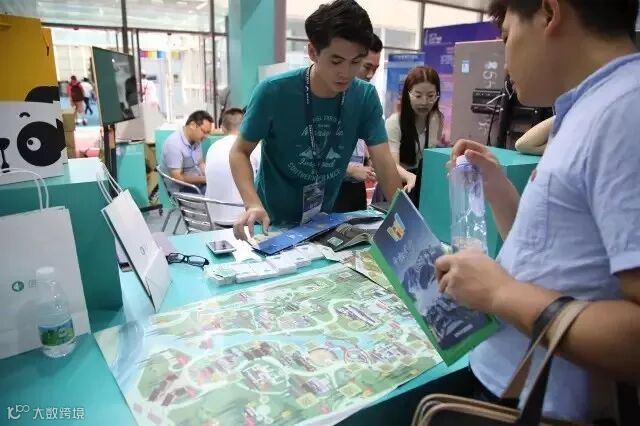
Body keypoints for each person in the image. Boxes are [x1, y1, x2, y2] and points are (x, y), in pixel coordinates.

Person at [430, 0, 640, 422]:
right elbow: (559, 257)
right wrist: (497, 186)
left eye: (507, 36)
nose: (504, 59)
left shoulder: (626, 111)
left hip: (544, 408)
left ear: (548, 13)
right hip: (516, 387)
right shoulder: (589, 106)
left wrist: (500, 293)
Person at [230, 0, 402, 239]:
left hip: (320, 222)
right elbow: (239, 152)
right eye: (336, 61)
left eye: (356, 62)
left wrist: (403, 220)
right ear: (313, 52)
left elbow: (383, 161)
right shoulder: (274, 91)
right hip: (270, 222)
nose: (346, 73)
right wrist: (252, 204)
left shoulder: (364, 96)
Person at [332, 33, 382, 213]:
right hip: (330, 188)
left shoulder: (365, 97)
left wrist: (369, 159)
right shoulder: (327, 95)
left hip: (355, 187)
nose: (370, 75)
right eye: (366, 67)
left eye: (375, 69)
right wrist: (349, 169)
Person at [385, 66, 443, 207]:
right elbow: (392, 165)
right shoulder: (394, 123)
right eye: (418, 96)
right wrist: (410, 177)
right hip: (397, 186)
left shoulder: (436, 119)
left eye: (430, 96)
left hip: (422, 186)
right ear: (408, 94)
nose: (424, 102)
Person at [205, 108, 261, 227]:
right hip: (245, 220)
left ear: (222, 128)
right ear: (246, 126)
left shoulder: (212, 148)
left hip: (212, 219)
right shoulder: (254, 148)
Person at [160, 110, 213, 194]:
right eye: (204, 132)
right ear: (192, 125)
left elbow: (200, 163)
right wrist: (205, 179)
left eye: (208, 133)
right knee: (218, 195)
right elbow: (177, 178)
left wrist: (210, 175)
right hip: (182, 189)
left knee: (220, 187)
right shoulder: (173, 144)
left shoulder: (196, 139)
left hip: (197, 183)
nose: (206, 136)